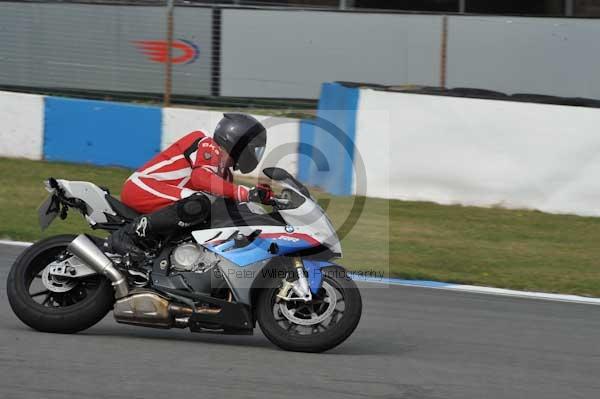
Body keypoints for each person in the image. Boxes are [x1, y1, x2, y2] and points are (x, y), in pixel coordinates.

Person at [106, 113, 275, 257]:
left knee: (217, 211)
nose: (255, 153)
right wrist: (246, 193)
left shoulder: (226, 174)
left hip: (167, 200)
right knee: (199, 203)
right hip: (142, 188)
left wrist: (266, 202)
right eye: (254, 148)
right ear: (238, 141)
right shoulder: (207, 143)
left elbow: (228, 204)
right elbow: (201, 178)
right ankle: (127, 235)